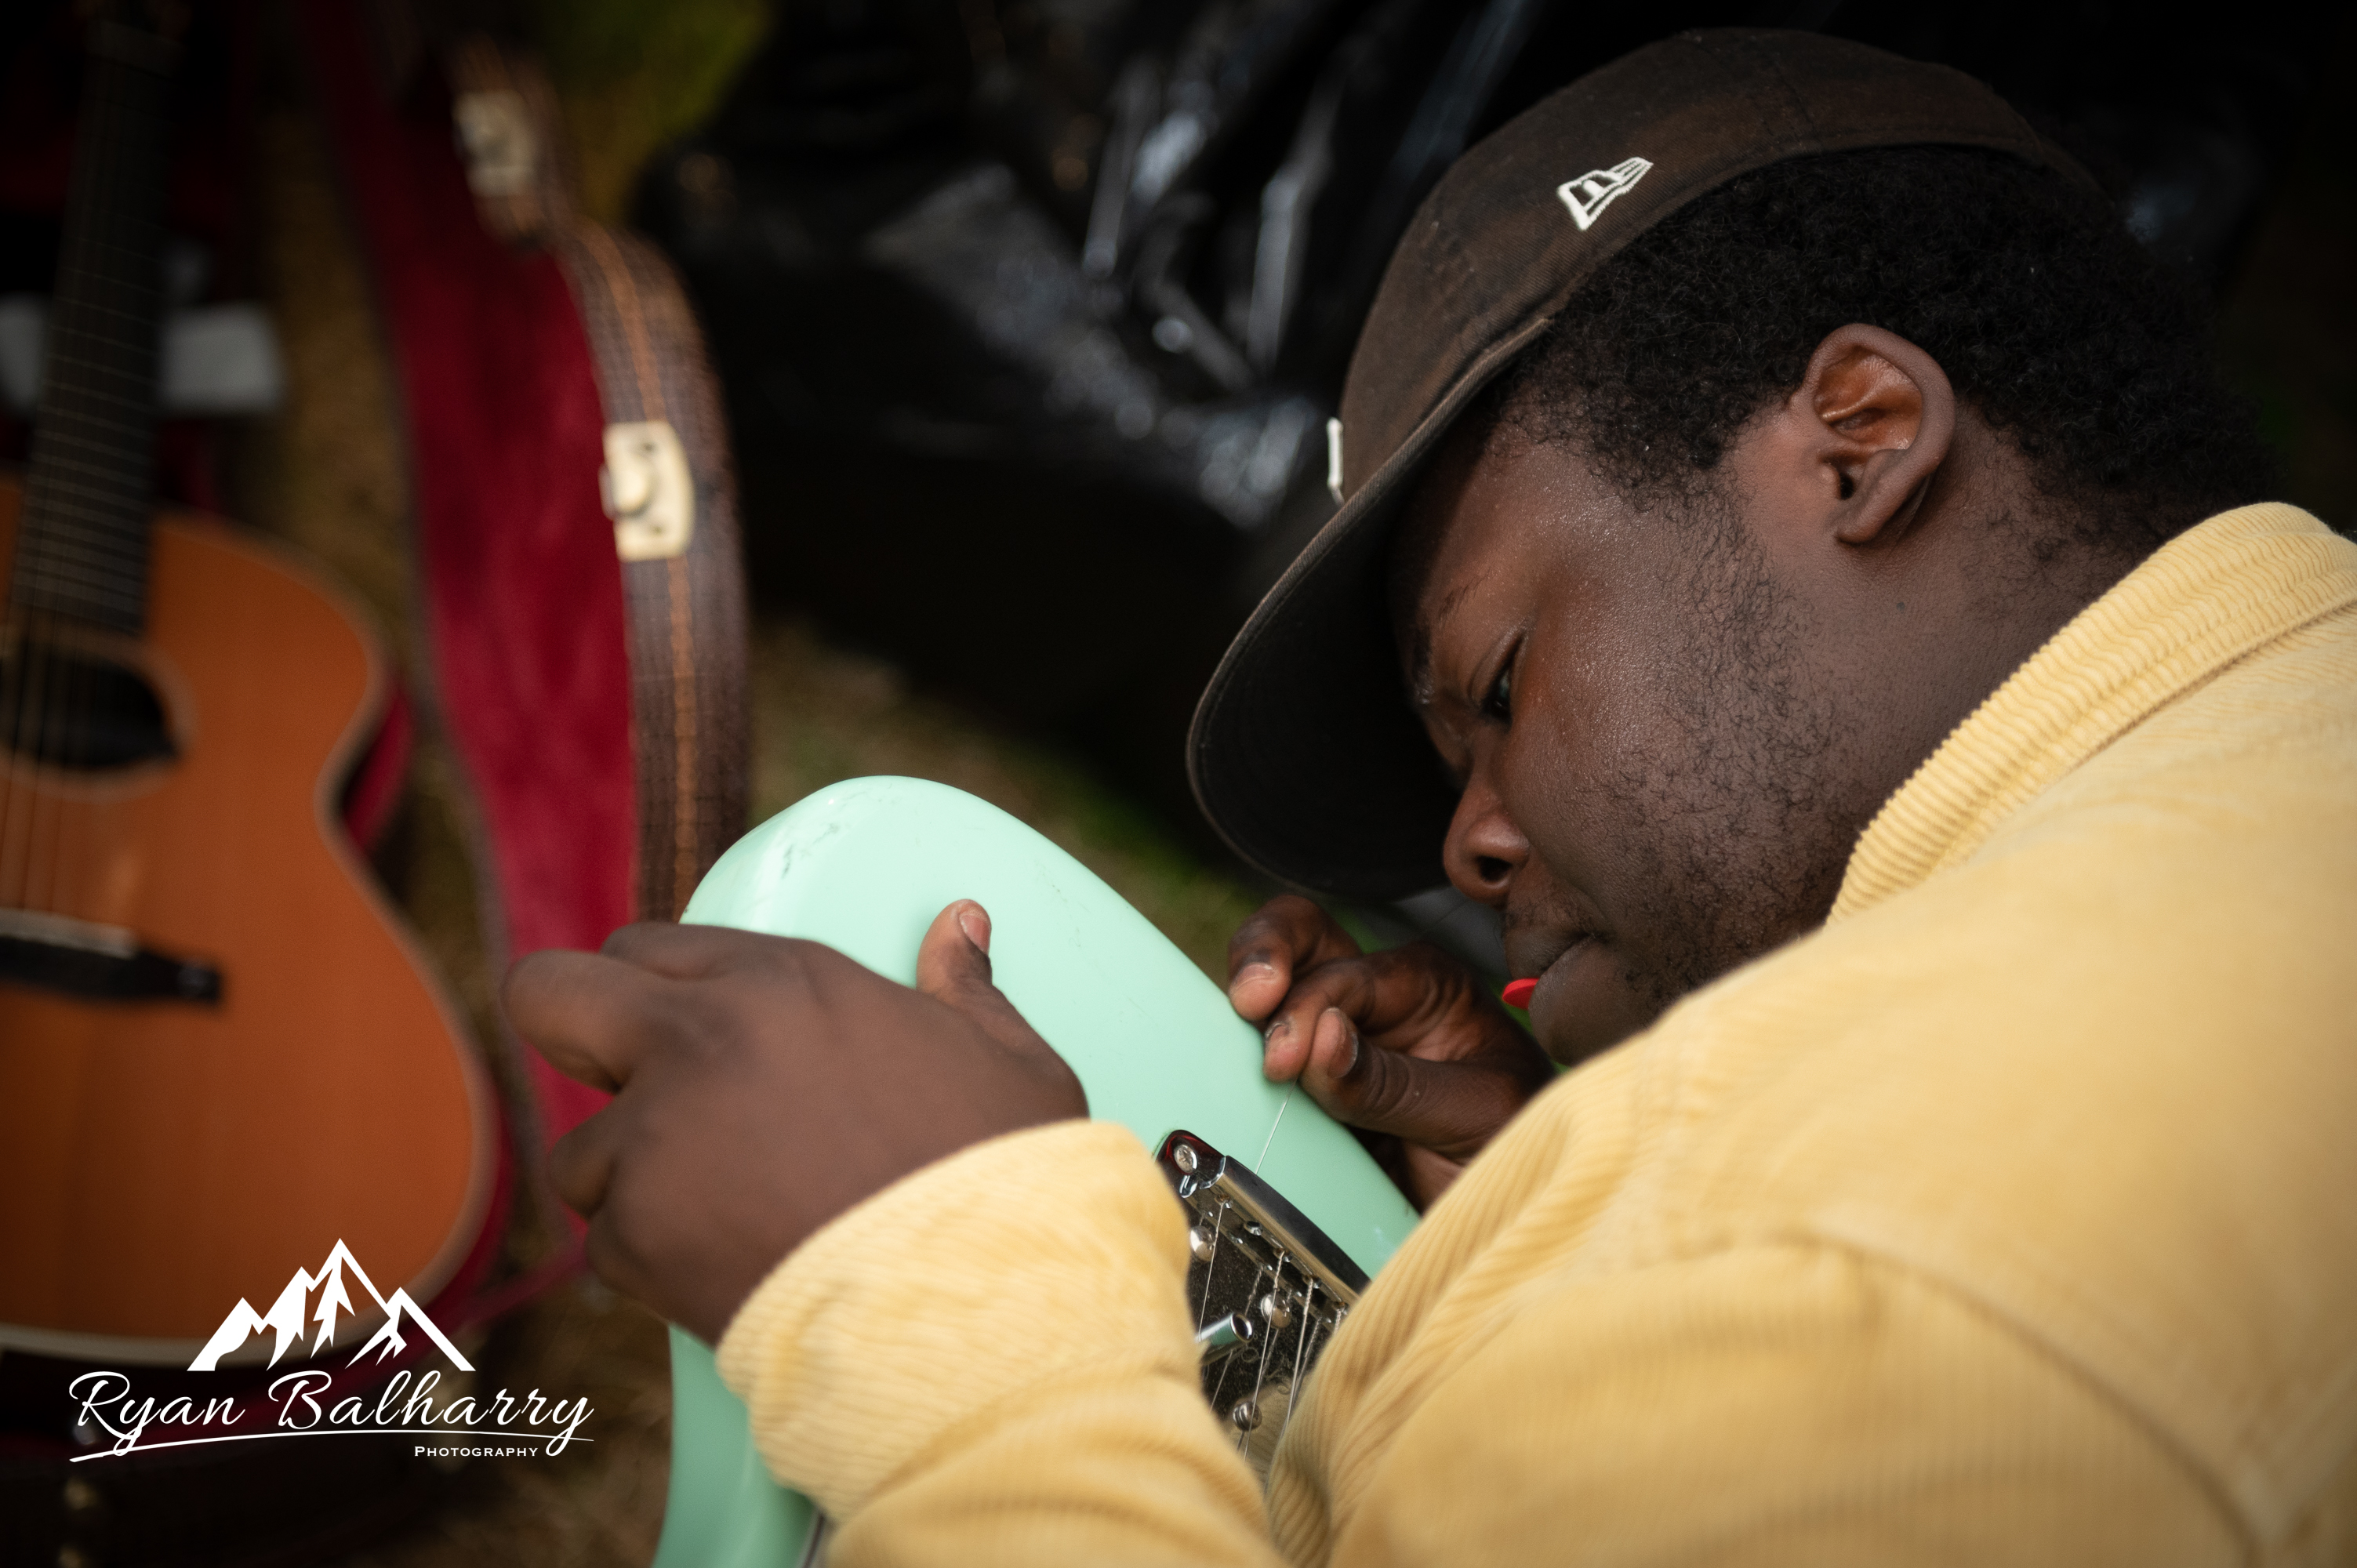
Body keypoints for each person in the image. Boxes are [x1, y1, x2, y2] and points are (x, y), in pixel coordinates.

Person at [506, 28, 2357, 1565]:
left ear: (1860, 440)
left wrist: (937, 1289)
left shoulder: (1815, 1262)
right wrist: (1565, 1208)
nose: (1466, 847)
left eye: (1496, 686)